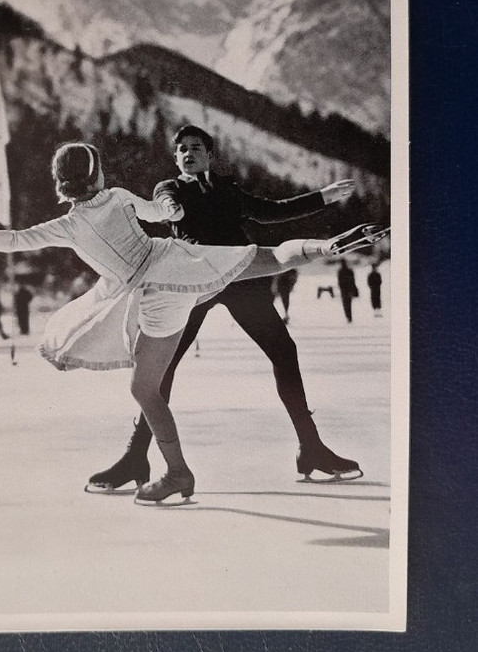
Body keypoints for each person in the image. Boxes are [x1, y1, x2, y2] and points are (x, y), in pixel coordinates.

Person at [0, 141, 385, 503]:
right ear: (96, 174)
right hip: (173, 261)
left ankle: (176, 472)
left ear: (63, 182)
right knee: (261, 258)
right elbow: (158, 212)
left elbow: (13, 240)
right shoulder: (116, 196)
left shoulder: (66, 225)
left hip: (151, 295)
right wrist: (171, 210)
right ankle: (328, 246)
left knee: (145, 389)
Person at [88, 125, 364, 491]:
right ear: (176, 158)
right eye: (181, 149)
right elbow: (169, 209)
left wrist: (323, 198)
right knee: (161, 369)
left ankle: (311, 448)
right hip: (194, 284)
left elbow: (269, 212)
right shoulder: (169, 189)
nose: (188, 153)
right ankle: (135, 458)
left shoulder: (227, 188)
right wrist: (170, 210)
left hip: (241, 279)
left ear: (209, 155)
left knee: (284, 351)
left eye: (196, 147)